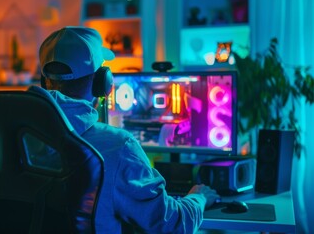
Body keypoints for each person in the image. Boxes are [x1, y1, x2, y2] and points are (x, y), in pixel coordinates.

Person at [39, 26, 220, 233]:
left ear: (45, 81)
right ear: (103, 83)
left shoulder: (10, 136)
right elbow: (170, 225)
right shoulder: (118, 146)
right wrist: (199, 197)